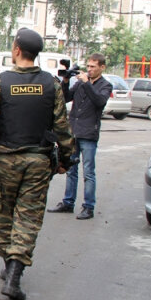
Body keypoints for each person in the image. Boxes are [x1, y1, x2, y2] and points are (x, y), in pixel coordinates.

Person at [0, 28, 74, 300]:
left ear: (16, 50)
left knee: (5, 213)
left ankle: (9, 266)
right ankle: (15, 273)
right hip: (40, 161)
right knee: (28, 217)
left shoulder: (0, 83)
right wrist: (67, 159)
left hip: (6, 160)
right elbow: (62, 127)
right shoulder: (51, 84)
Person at [48, 53, 112, 220]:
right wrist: (66, 81)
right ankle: (68, 202)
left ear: (102, 67)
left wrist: (85, 82)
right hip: (73, 132)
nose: (89, 70)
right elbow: (65, 97)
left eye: (93, 67)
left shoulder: (105, 85)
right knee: (70, 169)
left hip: (89, 133)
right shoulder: (81, 84)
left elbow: (99, 101)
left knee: (89, 172)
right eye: (88, 66)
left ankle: (88, 207)